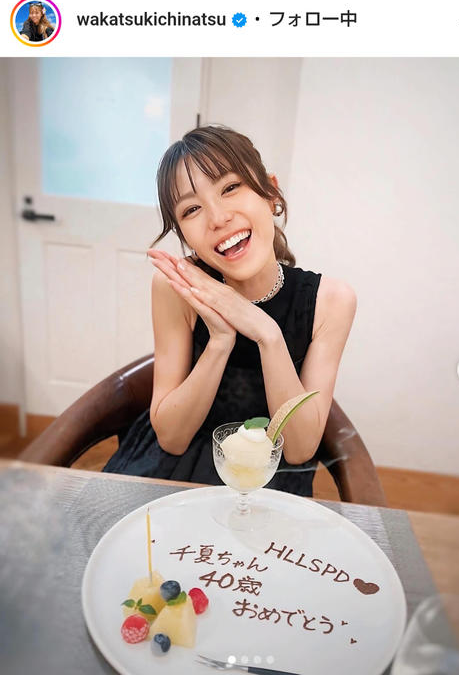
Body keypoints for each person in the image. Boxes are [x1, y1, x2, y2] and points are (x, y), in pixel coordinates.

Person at [103, 125, 356, 496]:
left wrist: (267, 335)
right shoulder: (176, 288)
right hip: (174, 470)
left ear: (271, 193)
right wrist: (220, 340)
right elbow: (171, 438)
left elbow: (300, 448)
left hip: (266, 479)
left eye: (230, 187)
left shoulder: (330, 301)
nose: (218, 218)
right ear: (184, 235)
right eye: (192, 209)